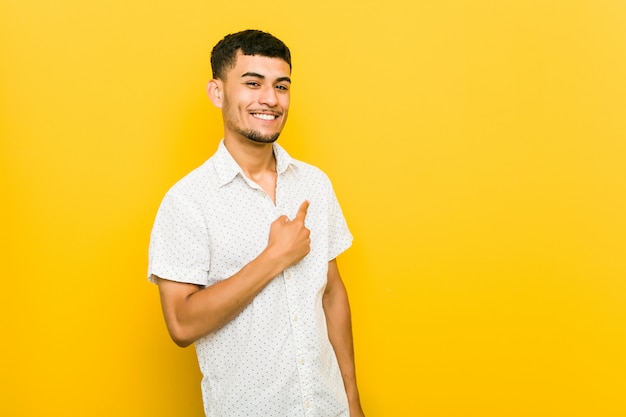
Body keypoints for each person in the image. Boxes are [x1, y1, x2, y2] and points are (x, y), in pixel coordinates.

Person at [148, 29, 365, 417]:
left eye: (281, 86)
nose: (270, 99)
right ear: (218, 92)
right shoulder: (187, 201)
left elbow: (332, 294)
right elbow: (180, 324)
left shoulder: (315, 183)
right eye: (253, 83)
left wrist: (352, 404)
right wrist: (274, 258)